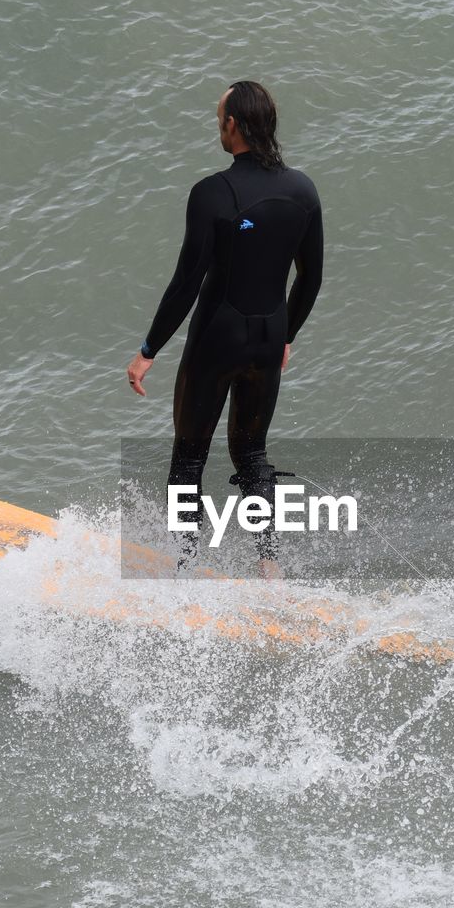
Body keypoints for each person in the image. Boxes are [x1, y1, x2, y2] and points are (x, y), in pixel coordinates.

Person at [125, 81, 323, 571]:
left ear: (232, 125)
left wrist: (148, 350)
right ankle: (269, 566)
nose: (218, 123)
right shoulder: (303, 190)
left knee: (189, 459)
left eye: (220, 116)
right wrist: (286, 336)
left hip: (217, 338)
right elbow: (311, 278)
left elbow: (186, 283)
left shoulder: (211, 193)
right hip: (267, 337)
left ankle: (185, 566)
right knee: (251, 454)